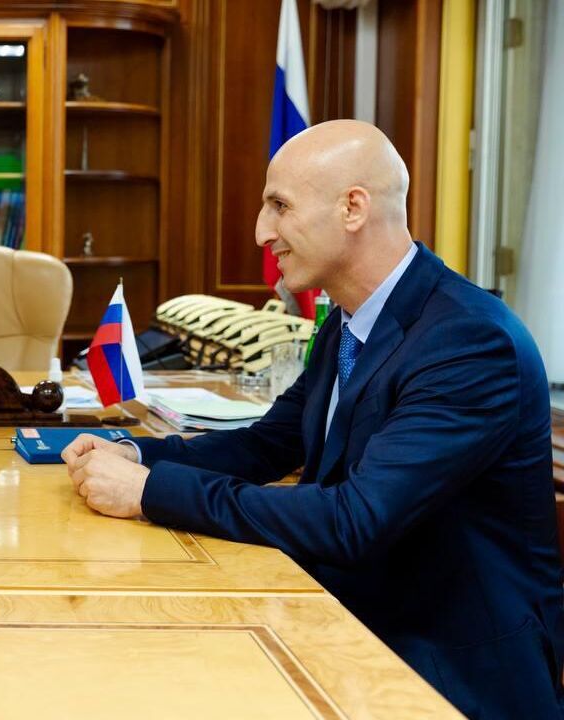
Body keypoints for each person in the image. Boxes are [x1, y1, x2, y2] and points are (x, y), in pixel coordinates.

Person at [64, 120, 564, 717]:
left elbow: (355, 520)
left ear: (353, 208)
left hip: (446, 672)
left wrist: (149, 492)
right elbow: (266, 444)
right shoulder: (348, 324)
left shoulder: (469, 342)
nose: (261, 231)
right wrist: (135, 454)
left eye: (279, 206)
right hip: (348, 625)